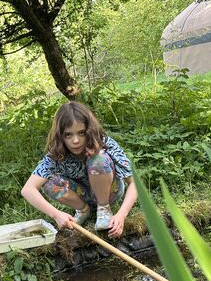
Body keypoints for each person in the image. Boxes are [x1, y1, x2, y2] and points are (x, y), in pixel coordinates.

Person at [21, 101, 137, 237]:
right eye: (68, 135)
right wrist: (56, 214)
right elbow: (27, 189)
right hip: (82, 195)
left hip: (110, 192)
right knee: (49, 182)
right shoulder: (56, 155)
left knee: (98, 158)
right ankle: (83, 210)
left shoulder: (104, 142)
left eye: (81, 133)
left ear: (89, 130)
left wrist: (122, 215)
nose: (75, 140)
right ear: (60, 136)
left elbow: (134, 183)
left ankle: (104, 209)